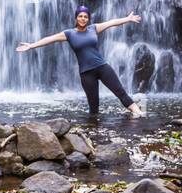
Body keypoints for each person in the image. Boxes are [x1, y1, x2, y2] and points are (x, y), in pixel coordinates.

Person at [16, 6, 144, 117]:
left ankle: (139, 115)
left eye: (86, 17)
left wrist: (127, 19)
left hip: (103, 68)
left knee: (121, 93)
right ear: (76, 18)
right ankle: (93, 132)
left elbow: (112, 22)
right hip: (86, 74)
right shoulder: (69, 34)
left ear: (88, 19)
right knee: (94, 106)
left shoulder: (94, 28)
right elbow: (50, 39)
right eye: (80, 16)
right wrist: (32, 45)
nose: (83, 18)